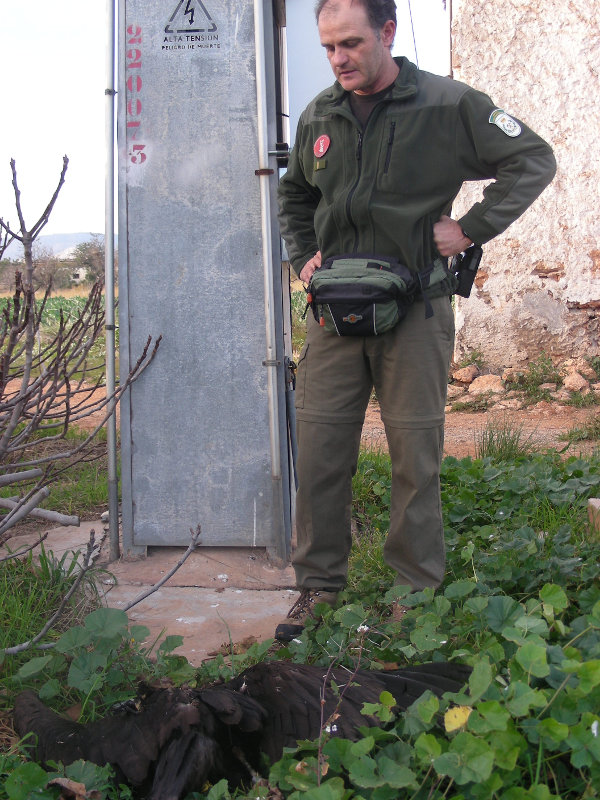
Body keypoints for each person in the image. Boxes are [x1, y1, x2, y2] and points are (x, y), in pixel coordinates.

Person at [275, 0, 556, 642]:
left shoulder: (449, 104)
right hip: (333, 314)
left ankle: (415, 597)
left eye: (351, 43)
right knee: (319, 452)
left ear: (388, 32)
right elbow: (295, 192)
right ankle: (317, 592)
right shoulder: (321, 112)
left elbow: (531, 159)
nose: (339, 59)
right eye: (328, 48)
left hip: (416, 309)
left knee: (415, 456)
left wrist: (471, 228)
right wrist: (302, 258)